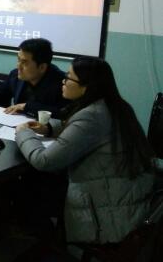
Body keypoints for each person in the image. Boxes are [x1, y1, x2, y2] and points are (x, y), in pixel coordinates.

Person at [15, 57, 155, 245]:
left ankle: (41, 239)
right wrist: (48, 129)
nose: (63, 81)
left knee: (31, 185)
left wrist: (23, 133)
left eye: (68, 77)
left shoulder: (91, 116)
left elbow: (44, 160)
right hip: (128, 193)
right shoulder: (113, 105)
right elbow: (80, 130)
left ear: (87, 86)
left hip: (106, 206)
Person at [0, 38, 68, 118]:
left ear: (42, 67)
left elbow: (62, 112)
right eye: (18, 60)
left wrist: (26, 106)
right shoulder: (15, 75)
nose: (18, 66)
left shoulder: (63, 83)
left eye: (24, 62)